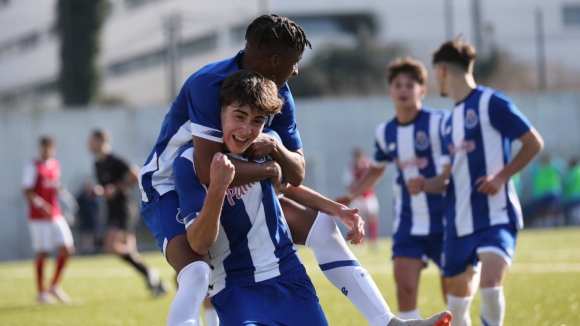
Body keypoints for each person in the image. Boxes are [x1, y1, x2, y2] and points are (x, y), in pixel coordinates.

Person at [140, 14, 451, 326]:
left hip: (234, 181)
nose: (297, 69)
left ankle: (387, 322)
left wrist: (282, 160)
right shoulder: (208, 84)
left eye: (258, 120)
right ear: (275, 61)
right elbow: (208, 169)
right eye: (294, 61)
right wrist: (268, 172)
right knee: (196, 270)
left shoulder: (278, 95)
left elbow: (294, 173)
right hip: (170, 185)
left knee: (324, 227)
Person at [407, 39, 544, 326]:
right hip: (457, 224)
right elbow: (446, 178)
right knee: (456, 304)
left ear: (442, 70)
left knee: (491, 287)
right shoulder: (447, 122)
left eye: (436, 74)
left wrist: (501, 176)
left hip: (496, 215)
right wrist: (424, 183)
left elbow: (533, 142)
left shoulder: (491, 102)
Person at [337, 57, 449, 319]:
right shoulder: (385, 131)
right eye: (397, 84)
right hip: (409, 222)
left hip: (445, 219)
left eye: (410, 85)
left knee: (452, 291)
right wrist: (351, 194)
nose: (403, 90)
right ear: (390, 91)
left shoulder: (439, 122)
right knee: (405, 288)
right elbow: (377, 167)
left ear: (422, 90)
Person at [88, 129, 167, 296]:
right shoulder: (97, 164)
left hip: (124, 210)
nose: (89, 144)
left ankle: (149, 273)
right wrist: (98, 191)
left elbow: (135, 174)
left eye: (92, 140)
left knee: (110, 246)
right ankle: (158, 284)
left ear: (101, 141)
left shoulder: (114, 159)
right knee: (131, 253)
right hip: (112, 211)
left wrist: (116, 188)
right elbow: (107, 188)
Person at [22, 136, 74, 304]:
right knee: (42, 252)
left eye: (49, 147)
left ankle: (53, 286)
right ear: (40, 148)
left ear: (54, 148)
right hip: (38, 217)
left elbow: (53, 186)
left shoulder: (56, 165)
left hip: (55, 214)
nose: (46, 150)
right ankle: (41, 293)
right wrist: (40, 204)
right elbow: (27, 191)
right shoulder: (33, 166)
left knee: (67, 248)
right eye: (43, 147)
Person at [343, 147, 381, 251]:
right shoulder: (352, 167)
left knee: (372, 219)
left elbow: (374, 179)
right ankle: (360, 242)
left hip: (369, 196)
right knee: (359, 220)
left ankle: (374, 242)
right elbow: (348, 183)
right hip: (358, 198)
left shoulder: (369, 165)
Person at [531, 154, 564, 227]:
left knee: (555, 209)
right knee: (542, 210)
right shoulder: (538, 169)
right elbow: (532, 169)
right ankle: (543, 224)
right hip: (541, 194)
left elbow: (561, 166)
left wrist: (552, 160)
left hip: (553, 192)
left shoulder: (553, 167)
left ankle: (557, 223)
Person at [75, 180, 100, 255]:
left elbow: (97, 208)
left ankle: (90, 250)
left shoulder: (94, 197)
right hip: (83, 219)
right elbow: (78, 209)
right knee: (84, 236)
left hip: (92, 219)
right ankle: (84, 251)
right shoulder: (81, 197)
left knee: (91, 236)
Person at [563, 157, 580, 225]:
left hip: (574, 195)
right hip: (576, 194)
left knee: (575, 210)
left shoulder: (571, 173)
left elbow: (567, 184)